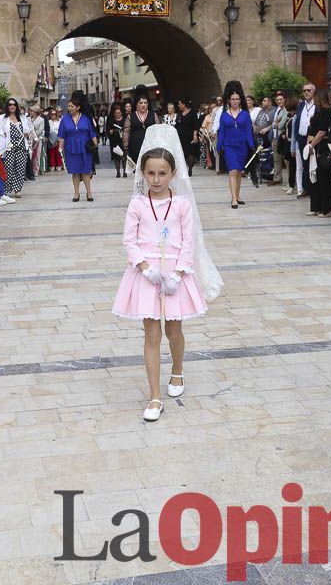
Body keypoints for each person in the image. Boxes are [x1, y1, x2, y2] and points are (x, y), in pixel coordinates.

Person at [112, 125, 222, 421]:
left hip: (175, 274)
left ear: (173, 173)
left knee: (174, 330)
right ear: (143, 174)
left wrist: (179, 272)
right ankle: (154, 396)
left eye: (162, 173)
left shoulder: (182, 204)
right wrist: (145, 268)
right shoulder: (137, 203)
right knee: (151, 334)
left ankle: (177, 370)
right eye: (150, 173)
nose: (156, 179)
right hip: (147, 274)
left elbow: (189, 240)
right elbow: (129, 240)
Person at [216, 82, 255, 209]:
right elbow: (221, 132)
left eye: (237, 99)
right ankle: (233, 199)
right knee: (232, 170)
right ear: (228, 100)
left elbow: (249, 131)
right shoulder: (224, 115)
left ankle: (237, 195)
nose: (235, 101)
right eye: (233, 99)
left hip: (242, 147)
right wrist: (218, 145)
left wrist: (251, 145)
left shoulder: (245, 114)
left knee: (238, 171)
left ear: (240, 100)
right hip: (229, 146)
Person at [57, 89, 98, 201]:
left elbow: (92, 132)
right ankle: (76, 193)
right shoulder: (64, 119)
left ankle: (89, 193)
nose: (69, 108)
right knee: (75, 172)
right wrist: (60, 147)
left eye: (71, 106)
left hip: (85, 148)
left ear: (78, 107)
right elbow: (62, 135)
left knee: (86, 171)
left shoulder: (86, 118)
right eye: (68, 106)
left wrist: (95, 143)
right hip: (71, 148)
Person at [305, 89, 331, 217]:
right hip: (314, 145)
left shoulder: (327, 112)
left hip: (321, 147)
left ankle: (327, 208)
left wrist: (312, 145)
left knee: (323, 178)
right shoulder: (318, 112)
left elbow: (322, 131)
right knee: (314, 177)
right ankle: (316, 206)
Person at [1, 98, 34, 198]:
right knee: (8, 168)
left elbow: (29, 129)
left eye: (14, 104)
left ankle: (17, 189)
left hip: (21, 146)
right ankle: (6, 189)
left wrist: (27, 132)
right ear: (7, 106)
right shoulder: (3, 118)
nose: (12, 106)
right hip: (9, 147)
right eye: (10, 104)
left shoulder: (22, 118)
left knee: (20, 168)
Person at [123, 87, 158, 170]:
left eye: (145, 103)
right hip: (135, 147)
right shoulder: (130, 116)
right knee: (139, 169)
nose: (143, 105)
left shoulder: (153, 114)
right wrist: (125, 148)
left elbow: (158, 130)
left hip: (150, 146)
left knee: (150, 168)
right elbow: (126, 132)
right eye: (141, 103)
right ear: (136, 104)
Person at [291, 82, 316, 197]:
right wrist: (296, 136)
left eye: (308, 90)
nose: (306, 92)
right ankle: (306, 188)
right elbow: (297, 121)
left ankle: (313, 188)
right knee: (304, 164)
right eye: (304, 90)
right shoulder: (301, 105)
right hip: (301, 137)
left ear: (313, 91)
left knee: (312, 163)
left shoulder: (317, 105)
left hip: (312, 137)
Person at [175, 99, 199, 174]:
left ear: (184, 104)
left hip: (190, 136)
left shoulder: (192, 112)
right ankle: (183, 169)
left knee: (191, 152)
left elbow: (196, 125)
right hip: (180, 136)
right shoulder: (179, 113)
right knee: (182, 153)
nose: (178, 106)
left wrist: (195, 135)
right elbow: (177, 124)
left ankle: (190, 169)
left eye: (179, 104)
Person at [270, 91, 289, 186]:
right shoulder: (278, 109)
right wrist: (276, 123)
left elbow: (281, 125)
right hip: (275, 136)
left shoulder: (286, 109)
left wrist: (277, 123)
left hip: (283, 137)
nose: (279, 101)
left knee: (286, 160)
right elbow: (274, 124)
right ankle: (277, 178)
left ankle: (291, 181)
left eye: (281, 99)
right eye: (277, 100)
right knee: (276, 159)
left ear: (284, 99)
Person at [107, 103, 127, 178]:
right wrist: (111, 131)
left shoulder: (125, 119)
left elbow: (127, 129)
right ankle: (118, 172)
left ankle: (125, 172)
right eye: (116, 113)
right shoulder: (111, 120)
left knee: (124, 157)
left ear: (121, 113)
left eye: (119, 113)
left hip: (123, 141)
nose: (117, 114)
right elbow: (108, 130)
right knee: (116, 157)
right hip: (114, 141)